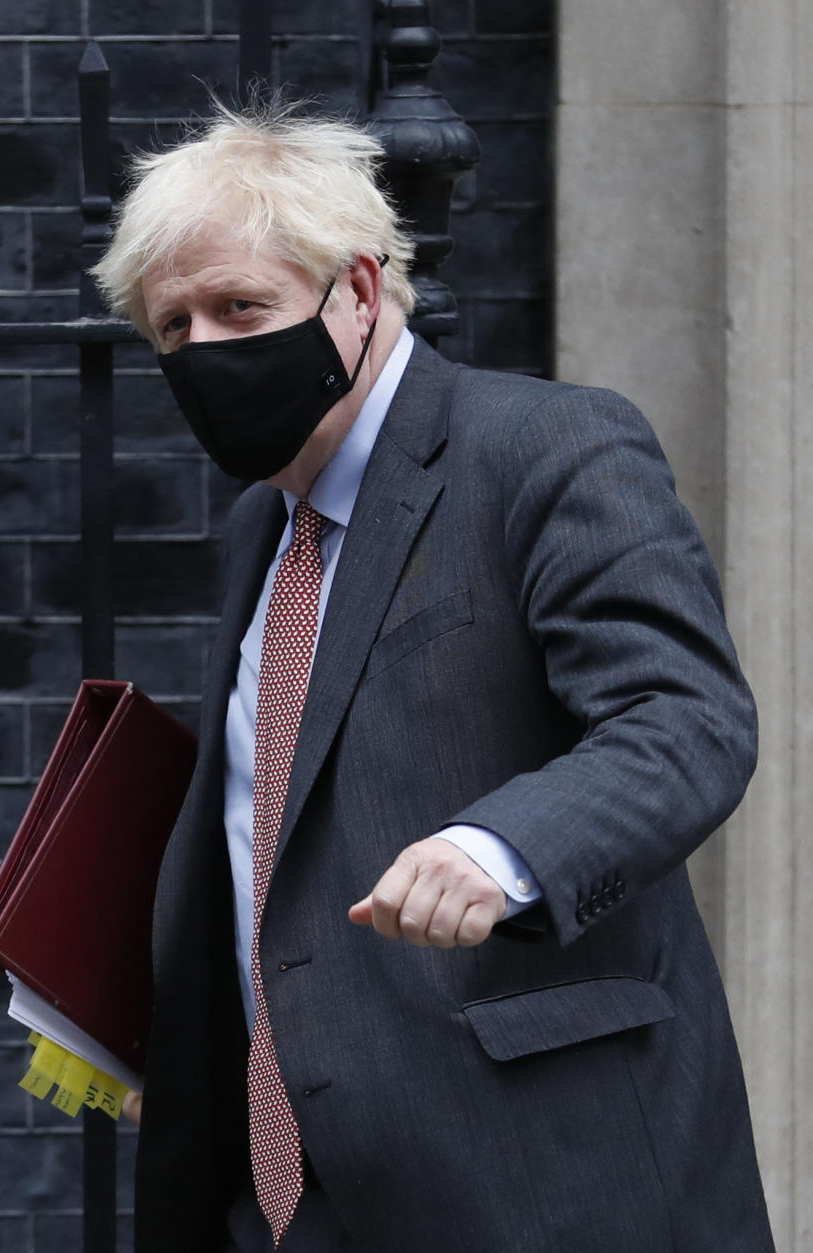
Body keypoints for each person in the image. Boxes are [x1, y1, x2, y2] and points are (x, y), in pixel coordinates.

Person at [92, 101, 774, 1252]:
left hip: (542, 1186)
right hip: (291, 1201)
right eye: (173, 327)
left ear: (358, 291)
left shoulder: (547, 448)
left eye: (240, 306)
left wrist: (501, 849)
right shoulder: (266, 529)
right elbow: (271, 831)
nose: (204, 351)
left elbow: (685, 716)